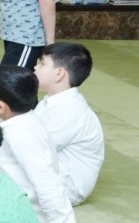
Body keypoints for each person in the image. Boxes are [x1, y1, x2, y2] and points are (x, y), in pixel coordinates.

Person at [0, 66, 88, 223]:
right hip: (11, 207)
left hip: (21, 222)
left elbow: (49, 186)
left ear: (1, 106)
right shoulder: (24, 119)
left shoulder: (21, 135)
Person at [34, 42, 105, 205]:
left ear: (59, 74)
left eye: (43, 64)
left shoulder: (71, 111)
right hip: (51, 177)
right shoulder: (49, 102)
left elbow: (36, 149)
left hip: (66, 188)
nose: (36, 67)